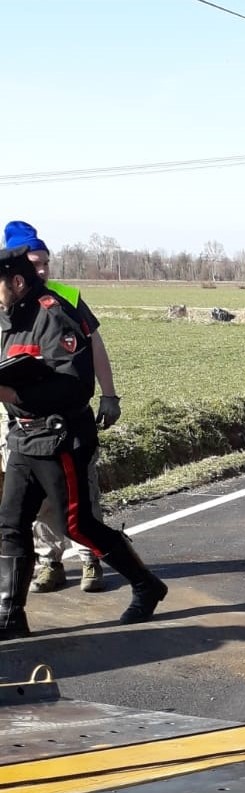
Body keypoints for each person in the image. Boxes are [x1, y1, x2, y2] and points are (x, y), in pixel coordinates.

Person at [0, 246, 167, 640]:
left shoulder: (53, 312)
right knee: (10, 524)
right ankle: (10, 615)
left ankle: (146, 585)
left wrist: (11, 394)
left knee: (77, 525)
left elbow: (74, 385)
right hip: (24, 437)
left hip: (61, 438)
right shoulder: (9, 316)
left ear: (17, 281)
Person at [2, 221, 118, 595]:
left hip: (63, 423)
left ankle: (91, 560)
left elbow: (93, 347)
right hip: (19, 424)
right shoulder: (7, 304)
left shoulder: (63, 298)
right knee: (25, 508)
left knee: (80, 496)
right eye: (34, 263)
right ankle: (48, 561)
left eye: (45, 263)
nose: (41, 271)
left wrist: (109, 394)